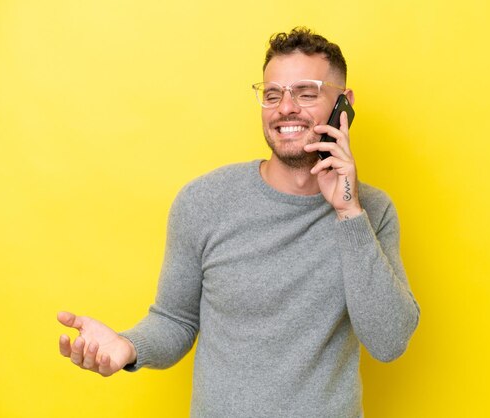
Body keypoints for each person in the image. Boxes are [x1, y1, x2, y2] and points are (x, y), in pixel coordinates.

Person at [58, 27, 420, 417]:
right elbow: (175, 319)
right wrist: (127, 347)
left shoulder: (372, 212)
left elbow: (389, 341)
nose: (286, 108)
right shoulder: (203, 202)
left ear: (343, 104)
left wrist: (348, 211)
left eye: (306, 92)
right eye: (273, 94)